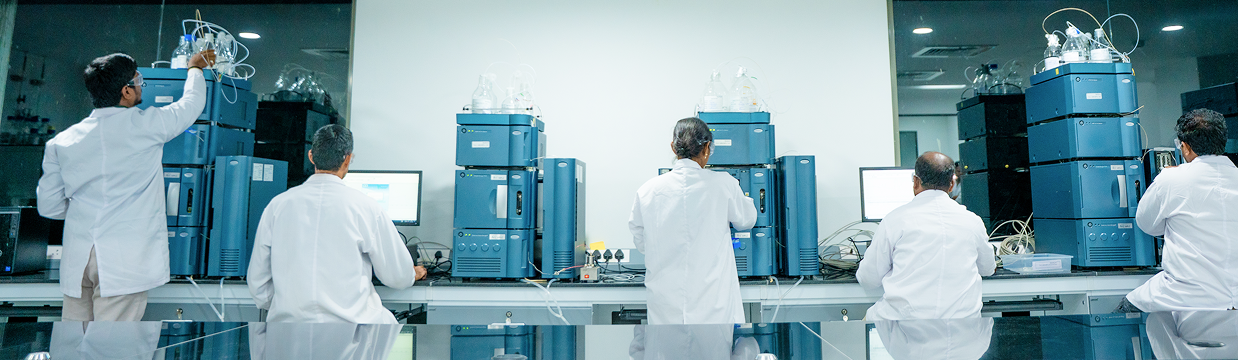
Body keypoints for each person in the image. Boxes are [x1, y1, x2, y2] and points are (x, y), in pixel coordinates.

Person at [37, 50, 215, 321]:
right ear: (127, 92)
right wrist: (195, 69)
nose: (142, 84)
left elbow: (49, 205)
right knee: (114, 347)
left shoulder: (61, 142)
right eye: (138, 79)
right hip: (123, 262)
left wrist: (86, 211)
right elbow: (191, 104)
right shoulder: (147, 126)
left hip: (78, 259)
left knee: (73, 344)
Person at [247, 125, 426, 323]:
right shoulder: (366, 207)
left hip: (288, 334)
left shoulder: (277, 206)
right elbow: (397, 277)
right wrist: (412, 273)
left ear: (311, 156)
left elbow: (258, 283)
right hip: (351, 336)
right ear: (347, 158)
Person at [628, 117, 758, 325]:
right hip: (713, 305)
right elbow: (746, 220)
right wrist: (747, 198)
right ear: (707, 148)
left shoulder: (648, 190)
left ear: (673, 147)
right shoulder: (724, 183)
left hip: (665, 305)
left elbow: (641, 241)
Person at [856, 152, 996, 321]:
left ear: (915, 182)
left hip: (906, 328)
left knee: (867, 323)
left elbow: (868, 279)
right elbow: (987, 269)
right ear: (952, 183)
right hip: (962, 330)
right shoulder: (972, 221)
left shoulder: (895, 220)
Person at [1124, 108, 1238, 312]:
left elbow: (1147, 225)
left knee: (1124, 312)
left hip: (1184, 299)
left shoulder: (1171, 179)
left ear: (1185, 147)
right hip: (1233, 303)